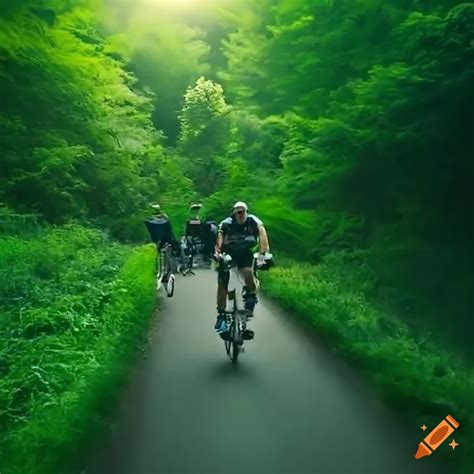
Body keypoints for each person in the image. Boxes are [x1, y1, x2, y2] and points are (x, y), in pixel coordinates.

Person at [214, 201, 271, 334]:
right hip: (228, 253)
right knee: (223, 283)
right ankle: (221, 313)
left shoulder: (253, 222)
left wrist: (263, 253)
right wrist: (217, 252)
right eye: (237, 212)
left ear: (246, 212)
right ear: (234, 213)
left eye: (242, 211)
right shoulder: (227, 223)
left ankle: (251, 295)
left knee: (248, 273)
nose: (240, 214)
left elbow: (262, 235)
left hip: (245, 253)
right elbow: (220, 238)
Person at [144, 204, 180, 280]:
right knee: (175, 245)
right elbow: (169, 229)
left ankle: (157, 268)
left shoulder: (149, 220)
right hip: (166, 239)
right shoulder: (165, 218)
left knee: (158, 252)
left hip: (156, 241)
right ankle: (178, 264)